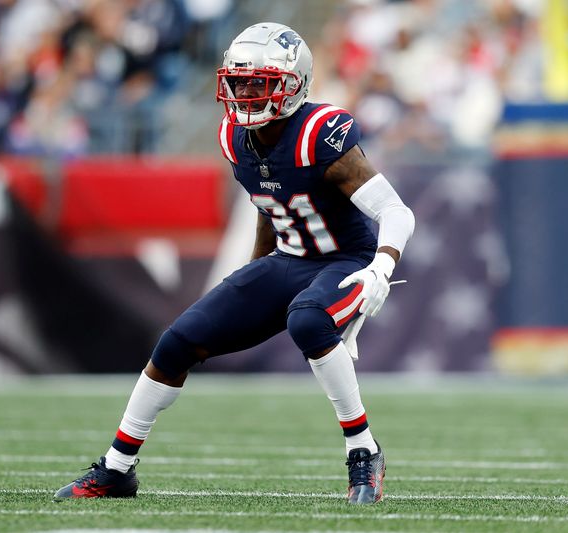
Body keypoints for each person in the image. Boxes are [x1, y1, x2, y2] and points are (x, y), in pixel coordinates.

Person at [54, 22, 415, 505]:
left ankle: (363, 452)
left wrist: (381, 267)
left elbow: (396, 211)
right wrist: (251, 272)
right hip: (288, 258)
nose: (244, 93)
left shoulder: (318, 132)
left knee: (308, 321)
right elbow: (272, 204)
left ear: (292, 85)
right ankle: (118, 469)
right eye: (238, 82)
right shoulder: (233, 137)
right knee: (177, 342)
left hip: (343, 260)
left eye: (257, 83)